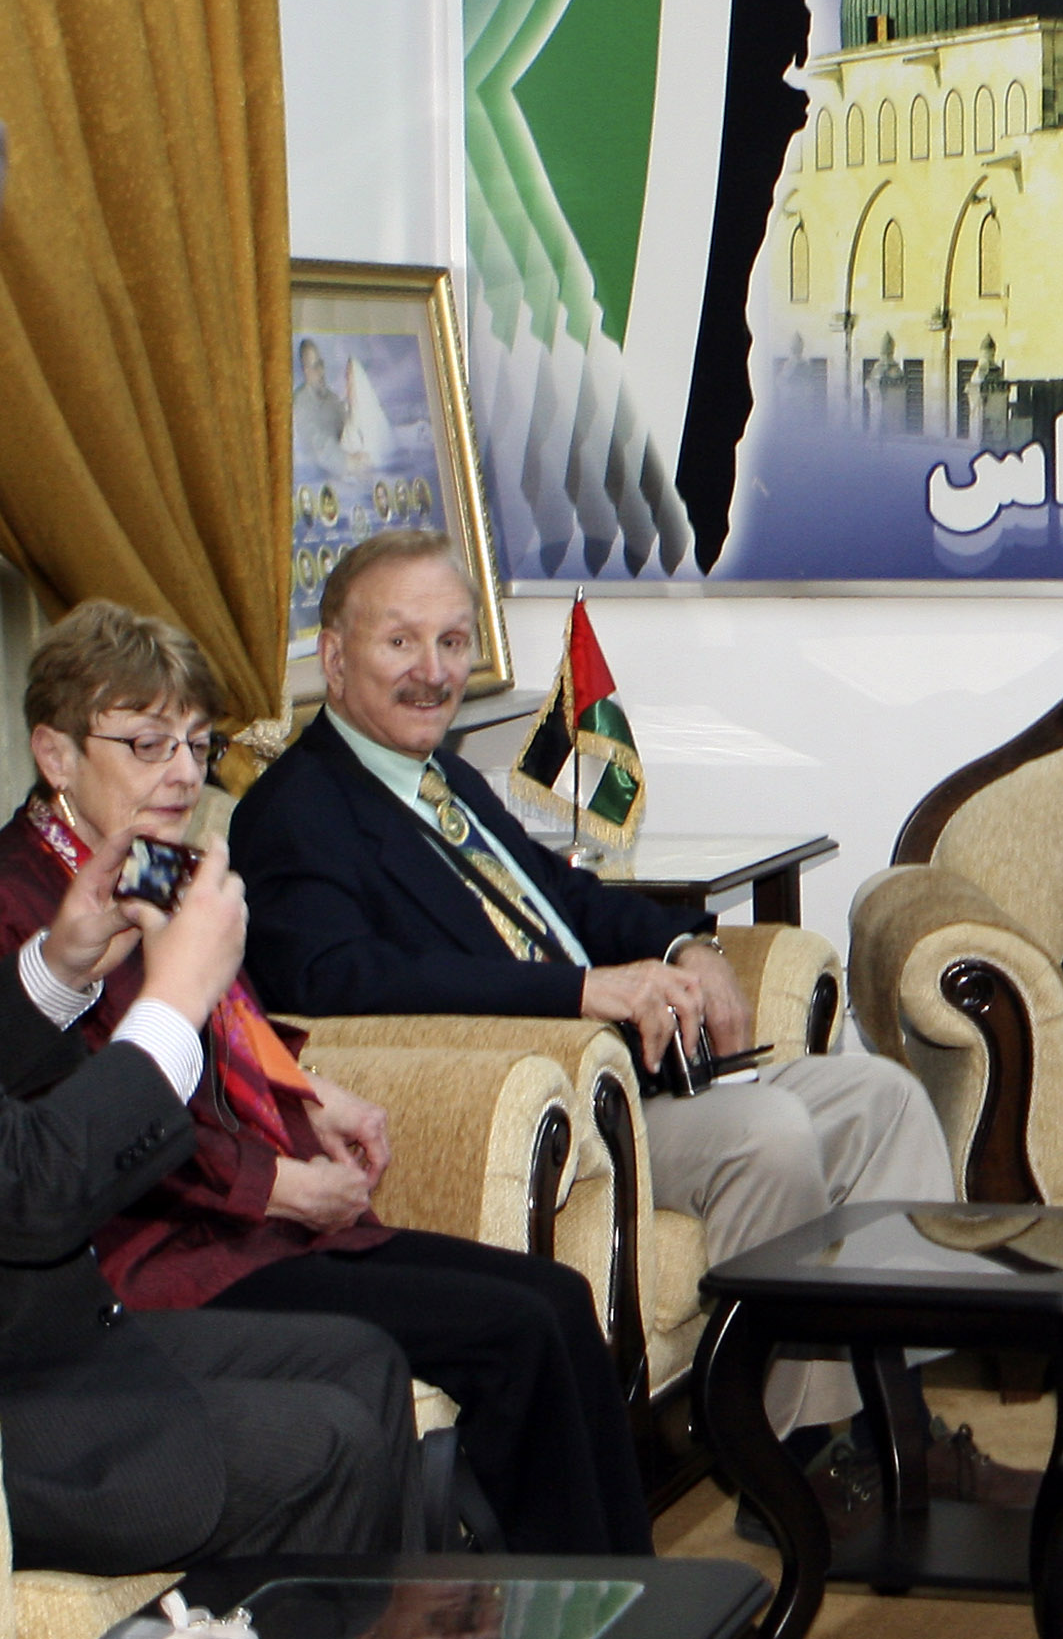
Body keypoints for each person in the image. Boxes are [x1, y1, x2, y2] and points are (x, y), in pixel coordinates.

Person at [228, 530, 1018, 1512]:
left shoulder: (444, 779)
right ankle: (793, 1461)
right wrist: (580, 992)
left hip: (633, 1077)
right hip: (552, 1101)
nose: (432, 672)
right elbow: (337, 976)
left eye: (451, 641)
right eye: (401, 643)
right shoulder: (295, 810)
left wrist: (685, 943)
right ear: (335, 656)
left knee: (882, 1096)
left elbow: (565, 893)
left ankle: (891, 1423)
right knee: (767, 1132)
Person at [0, 600, 648, 1554]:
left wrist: (308, 1097)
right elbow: (71, 1138)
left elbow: (223, 1048)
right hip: (162, 1249)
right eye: (147, 745)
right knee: (509, 1335)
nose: (184, 772)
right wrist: (277, 1182)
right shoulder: (17, 890)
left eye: (195, 742)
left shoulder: (133, 876)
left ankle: (619, 1609)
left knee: (549, 1301)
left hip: (237, 1226)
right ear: (56, 757)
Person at [0, 772, 416, 1571]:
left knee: (363, 1361)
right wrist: (176, 1000)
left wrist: (58, 966)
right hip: (19, 1410)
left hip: (42, 1332)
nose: (182, 769)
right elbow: (33, 1190)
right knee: (329, 1445)